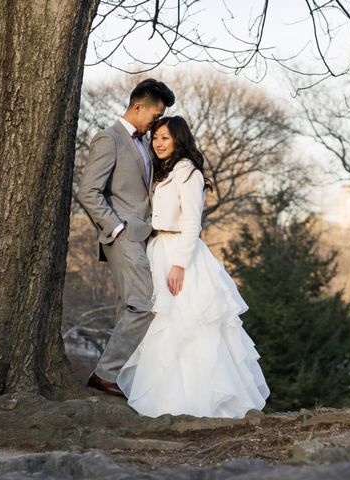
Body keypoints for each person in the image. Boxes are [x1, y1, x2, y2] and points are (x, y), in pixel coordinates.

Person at [117, 116, 269, 418]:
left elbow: (191, 224)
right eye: (156, 137)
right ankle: (162, 403)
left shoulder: (188, 174)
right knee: (161, 325)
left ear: (179, 140)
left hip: (180, 255)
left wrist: (179, 265)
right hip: (157, 250)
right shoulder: (163, 173)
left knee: (189, 327)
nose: (159, 143)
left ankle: (199, 403)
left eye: (166, 138)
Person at [77, 79, 175, 396]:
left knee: (128, 308)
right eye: (155, 114)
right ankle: (105, 374)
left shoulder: (145, 144)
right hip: (123, 237)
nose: (156, 121)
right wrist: (116, 228)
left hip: (144, 238)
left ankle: (123, 381)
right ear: (137, 107)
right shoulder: (109, 139)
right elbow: (89, 191)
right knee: (145, 305)